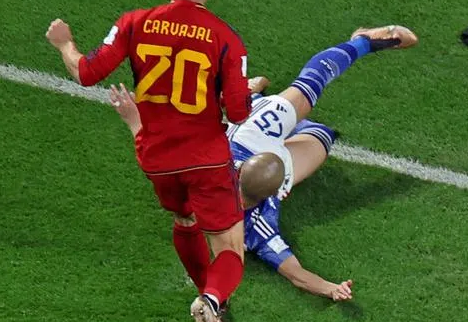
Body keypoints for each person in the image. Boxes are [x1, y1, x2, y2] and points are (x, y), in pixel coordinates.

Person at [45, 0, 251, 322]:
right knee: (230, 245)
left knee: (185, 219)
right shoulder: (225, 38)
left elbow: (86, 72)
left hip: (158, 158)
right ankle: (211, 300)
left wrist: (65, 44)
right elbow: (240, 112)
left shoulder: (135, 23)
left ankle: (208, 297)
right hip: (206, 158)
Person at [108, 25, 418, 302]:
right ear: (276, 191)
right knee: (319, 131)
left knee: (231, 113)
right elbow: (295, 273)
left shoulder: (219, 181)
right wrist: (330, 288)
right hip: (256, 136)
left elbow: (160, 152)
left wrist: (135, 118)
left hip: (250, 134)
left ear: (241, 169)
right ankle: (255, 94)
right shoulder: (258, 225)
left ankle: (248, 97)